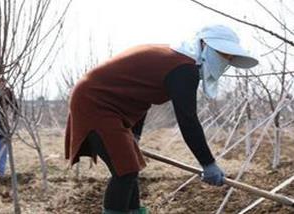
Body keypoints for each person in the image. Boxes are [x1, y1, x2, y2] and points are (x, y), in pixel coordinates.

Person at [64, 25, 258, 214]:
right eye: (224, 54)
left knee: (131, 167)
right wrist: (208, 163)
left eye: (230, 57)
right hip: (95, 101)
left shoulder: (178, 60)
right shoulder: (183, 67)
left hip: (111, 104)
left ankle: (133, 211)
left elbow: (140, 94)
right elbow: (188, 119)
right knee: (125, 170)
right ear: (205, 45)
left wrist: (135, 135)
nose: (227, 60)